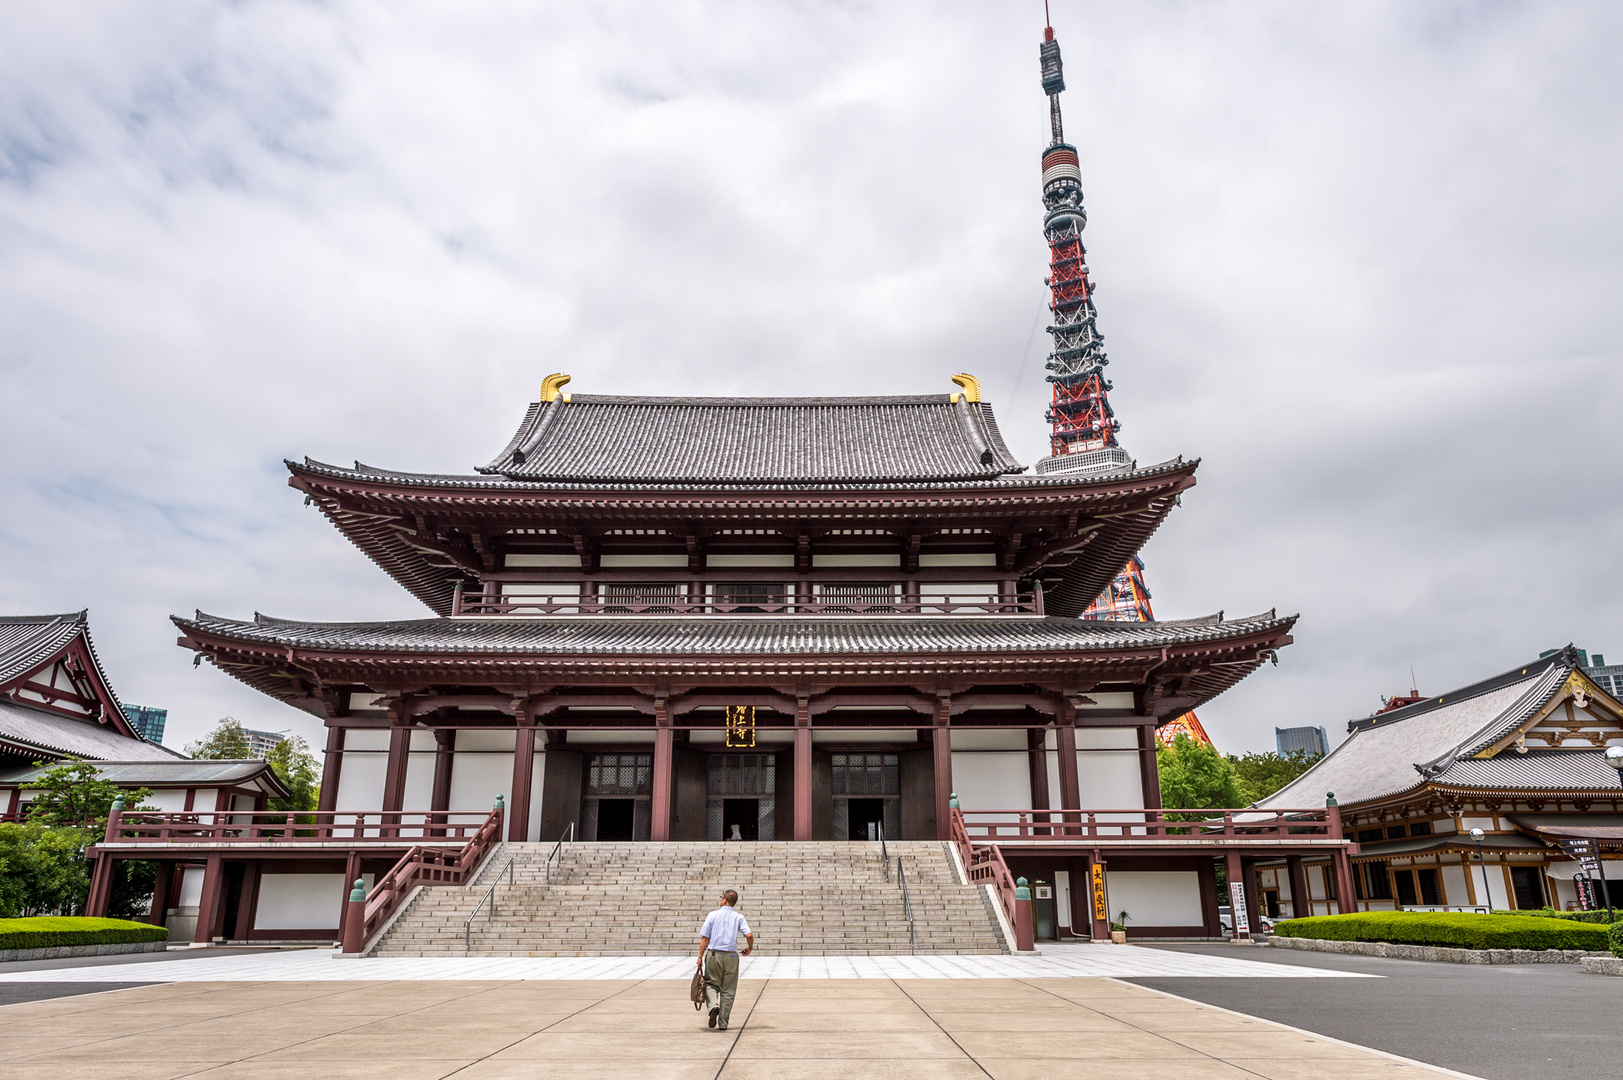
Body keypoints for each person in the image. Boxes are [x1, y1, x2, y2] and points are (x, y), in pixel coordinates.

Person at [696, 889, 752, 1031]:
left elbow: (705, 938)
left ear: (725, 900)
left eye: (721, 897)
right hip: (731, 957)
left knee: (711, 984)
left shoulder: (713, 915)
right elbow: (749, 934)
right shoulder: (738, 917)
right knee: (728, 990)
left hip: (714, 955)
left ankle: (713, 1007)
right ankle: (723, 1023)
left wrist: (700, 956)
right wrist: (750, 948)